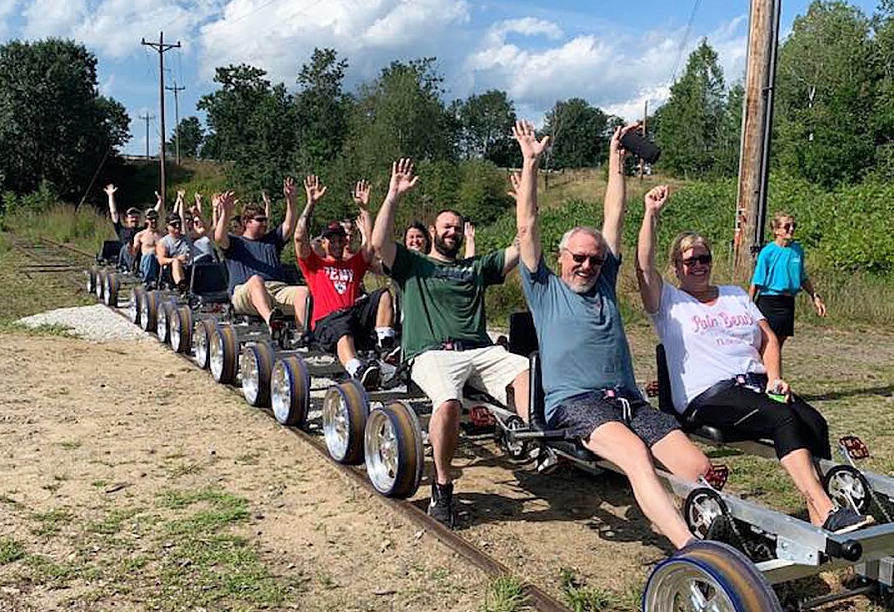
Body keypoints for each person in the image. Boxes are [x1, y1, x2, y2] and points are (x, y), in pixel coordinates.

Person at [514, 121, 711, 550]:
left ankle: (722, 533)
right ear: (561, 257)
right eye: (579, 258)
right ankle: (692, 549)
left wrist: (615, 158)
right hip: (576, 405)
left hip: (629, 400)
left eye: (595, 260)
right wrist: (531, 163)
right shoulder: (544, 288)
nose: (587, 266)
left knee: (697, 466)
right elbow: (527, 226)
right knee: (636, 458)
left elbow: (614, 216)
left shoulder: (603, 282)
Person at [637, 185, 871, 535]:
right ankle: (825, 511)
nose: (699, 266)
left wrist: (774, 377)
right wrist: (651, 215)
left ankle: (819, 509)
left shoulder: (734, 294)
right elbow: (643, 267)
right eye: (691, 261)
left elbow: (768, 339)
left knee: (814, 422)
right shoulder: (668, 303)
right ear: (676, 267)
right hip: (708, 394)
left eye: (705, 259)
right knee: (781, 418)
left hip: (756, 384)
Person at [372, 159, 530, 528]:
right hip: (432, 353)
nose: (452, 232)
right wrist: (393, 195)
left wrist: (525, 195)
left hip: (480, 349)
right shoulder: (413, 265)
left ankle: (533, 434)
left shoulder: (475, 267)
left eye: (457, 228)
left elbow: (523, 244)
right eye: (446, 227)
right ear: (433, 231)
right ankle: (442, 486)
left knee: (527, 371)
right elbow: (379, 242)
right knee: (447, 403)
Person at [295, 176, 396, 390]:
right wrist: (310, 204)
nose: (337, 243)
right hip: (326, 325)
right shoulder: (314, 265)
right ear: (323, 243)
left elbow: (372, 245)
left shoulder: (353, 264)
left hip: (351, 318)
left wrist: (365, 209)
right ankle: (356, 369)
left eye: (341, 239)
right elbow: (298, 237)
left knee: (384, 294)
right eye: (332, 239)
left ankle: (385, 344)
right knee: (341, 324)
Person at [214, 182, 309, 333]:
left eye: (265, 219)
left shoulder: (272, 240)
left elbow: (289, 225)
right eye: (260, 220)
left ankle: (302, 335)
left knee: (303, 292)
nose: (265, 223)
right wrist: (225, 212)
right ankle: (272, 322)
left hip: (277, 290)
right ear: (247, 222)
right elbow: (219, 237)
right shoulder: (235, 243)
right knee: (256, 280)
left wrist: (291, 200)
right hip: (244, 293)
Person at [749, 211, 826, 364]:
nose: (791, 229)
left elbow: (802, 277)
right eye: (787, 226)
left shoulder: (797, 250)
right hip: (769, 301)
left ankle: (771, 378)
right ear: (776, 230)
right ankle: (763, 376)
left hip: (787, 302)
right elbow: (756, 282)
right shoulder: (768, 252)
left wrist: (815, 297)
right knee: (769, 342)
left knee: (779, 343)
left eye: (793, 226)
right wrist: (748, 306)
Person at [156, 212, 192, 290]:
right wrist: (177, 259)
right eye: (174, 224)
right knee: (176, 262)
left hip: (189, 266)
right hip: (171, 271)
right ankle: (181, 285)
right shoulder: (163, 242)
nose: (177, 226)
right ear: (167, 226)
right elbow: (161, 260)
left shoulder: (187, 238)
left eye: (179, 223)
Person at [132, 208, 162, 283]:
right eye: (151, 219)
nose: (153, 221)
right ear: (146, 220)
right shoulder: (140, 235)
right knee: (150, 256)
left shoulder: (163, 235)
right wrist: (133, 249)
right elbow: (134, 252)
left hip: (159, 262)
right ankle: (148, 281)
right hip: (146, 262)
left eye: (155, 218)